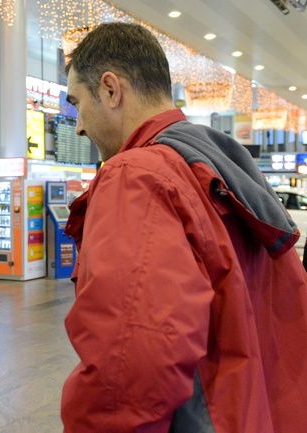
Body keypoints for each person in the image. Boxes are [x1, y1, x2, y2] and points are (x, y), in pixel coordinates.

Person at [61, 23, 307, 433]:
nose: (79, 127)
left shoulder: (138, 175)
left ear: (110, 89)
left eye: (77, 102)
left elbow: (130, 362)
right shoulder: (219, 166)